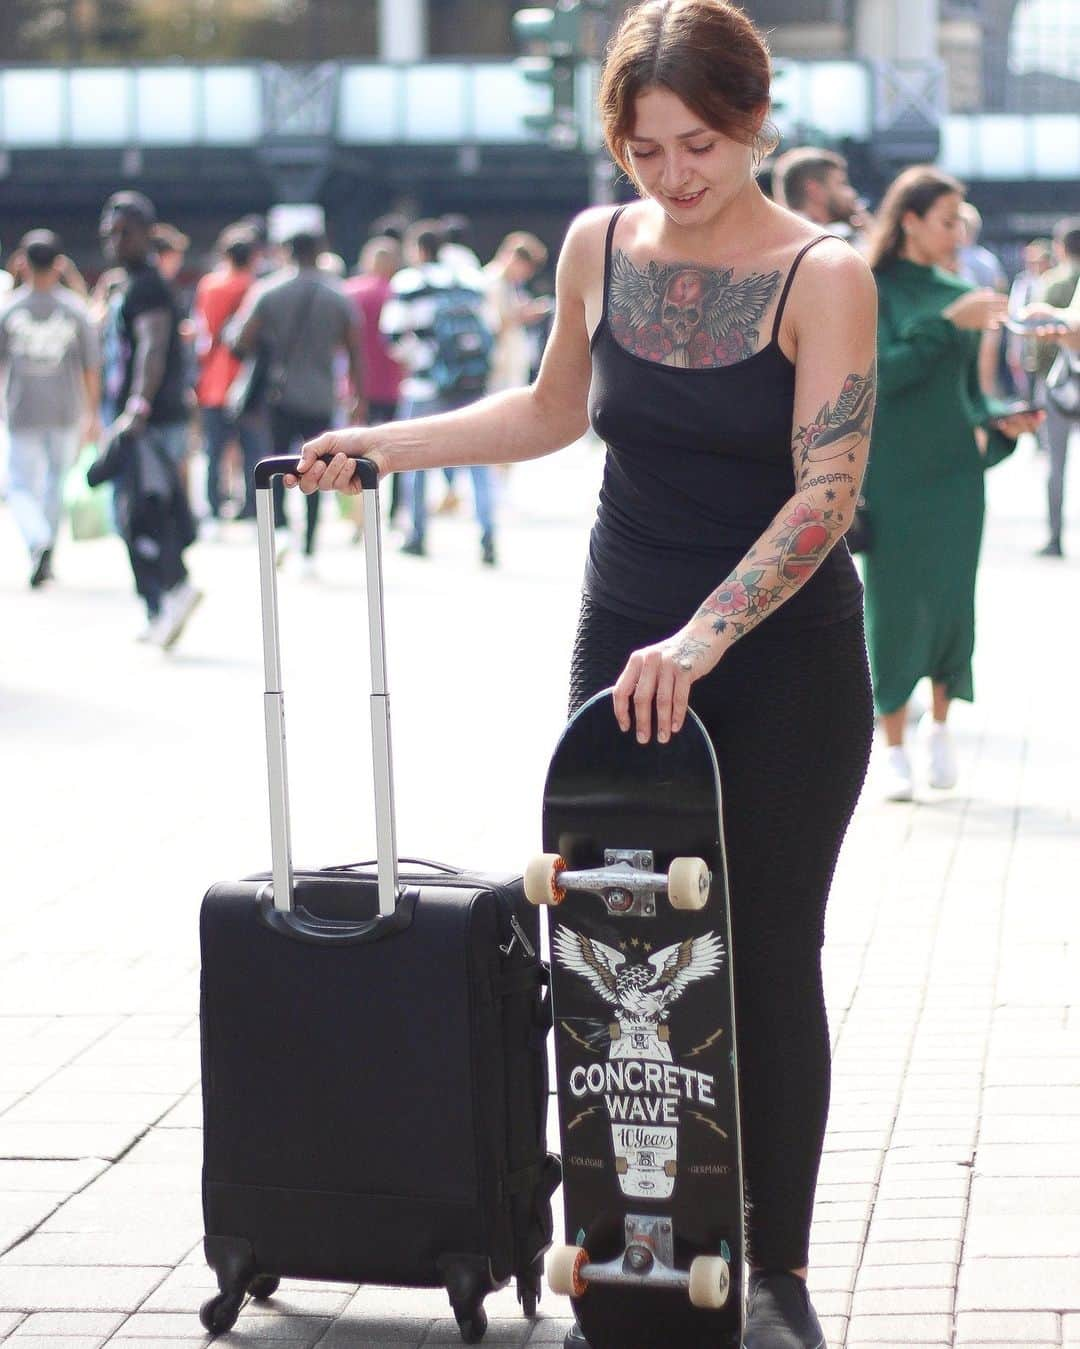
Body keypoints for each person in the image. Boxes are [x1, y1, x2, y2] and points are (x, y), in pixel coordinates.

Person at [290, 3, 880, 1344]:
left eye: (701, 144)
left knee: (763, 957)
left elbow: (826, 492)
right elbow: (555, 409)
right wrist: (387, 443)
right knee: (614, 951)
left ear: (758, 124)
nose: (672, 175)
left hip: (775, 658)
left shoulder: (823, 271)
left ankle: (773, 1276)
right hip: (621, 649)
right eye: (645, 149)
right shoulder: (596, 247)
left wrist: (701, 639)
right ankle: (634, 1252)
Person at [862, 167, 1042, 801]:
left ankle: (940, 729)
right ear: (909, 220)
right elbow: (876, 378)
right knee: (890, 604)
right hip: (891, 476)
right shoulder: (869, 287)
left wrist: (1003, 427)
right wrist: (947, 323)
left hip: (955, 479)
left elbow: (967, 397)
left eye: (962, 222)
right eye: (946, 221)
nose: (958, 234)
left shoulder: (960, 288)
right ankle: (892, 743)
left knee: (951, 602)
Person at [97, 191, 203, 645]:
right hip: (141, 420)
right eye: (111, 233)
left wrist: (136, 409)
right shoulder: (131, 284)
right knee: (145, 510)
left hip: (149, 422)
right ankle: (161, 601)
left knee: (141, 512)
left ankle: (172, 589)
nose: (116, 241)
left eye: (126, 233)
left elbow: (152, 349)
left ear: (147, 235)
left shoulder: (148, 287)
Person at [231, 227, 364, 577]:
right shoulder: (339, 297)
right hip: (321, 396)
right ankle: (308, 550)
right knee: (318, 471)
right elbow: (355, 352)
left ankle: (281, 533)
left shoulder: (268, 291)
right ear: (321, 252)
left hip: (280, 394)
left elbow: (240, 340)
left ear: (288, 252)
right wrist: (358, 399)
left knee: (276, 465)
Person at [379, 221, 498, 565]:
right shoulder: (470, 281)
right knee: (479, 462)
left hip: (426, 384)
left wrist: (422, 359)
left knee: (413, 460)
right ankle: (488, 534)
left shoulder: (410, 283)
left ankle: (417, 534)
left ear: (418, 249)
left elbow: (392, 335)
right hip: (471, 383)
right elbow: (490, 328)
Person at [0, 229, 101, 587]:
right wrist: (92, 413)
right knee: (54, 485)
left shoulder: (8, 308)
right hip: (65, 410)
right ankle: (46, 549)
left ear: (22, 263)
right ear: (59, 264)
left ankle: (37, 540)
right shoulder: (76, 310)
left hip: (21, 409)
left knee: (20, 485)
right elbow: (91, 367)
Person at [192, 224, 267, 528]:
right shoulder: (257, 288)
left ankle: (213, 506)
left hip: (215, 378)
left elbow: (204, 330)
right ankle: (251, 506)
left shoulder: (209, 286)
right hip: (249, 379)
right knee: (253, 448)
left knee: (214, 449)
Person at [344, 236, 406, 526]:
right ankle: (394, 512)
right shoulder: (399, 293)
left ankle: (359, 517)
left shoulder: (350, 292)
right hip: (394, 383)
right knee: (396, 451)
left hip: (357, 386)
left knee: (354, 453)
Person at [1030, 218, 1080, 557]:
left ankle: (1055, 536)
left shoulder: (1051, 281)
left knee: (1056, 463)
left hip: (1057, 381)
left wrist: (1039, 371)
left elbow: (1041, 339)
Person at [483, 232, 552, 397]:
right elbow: (493, 325)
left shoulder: (511, 285)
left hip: (510, 370)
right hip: (496, 370)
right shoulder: (491, 282)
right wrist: (524, 315)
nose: (527, 275)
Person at [770, 146, 871, 246]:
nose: (852, 193)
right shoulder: (837, 240)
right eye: (841, 184)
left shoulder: (783, 239)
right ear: (815, 190)